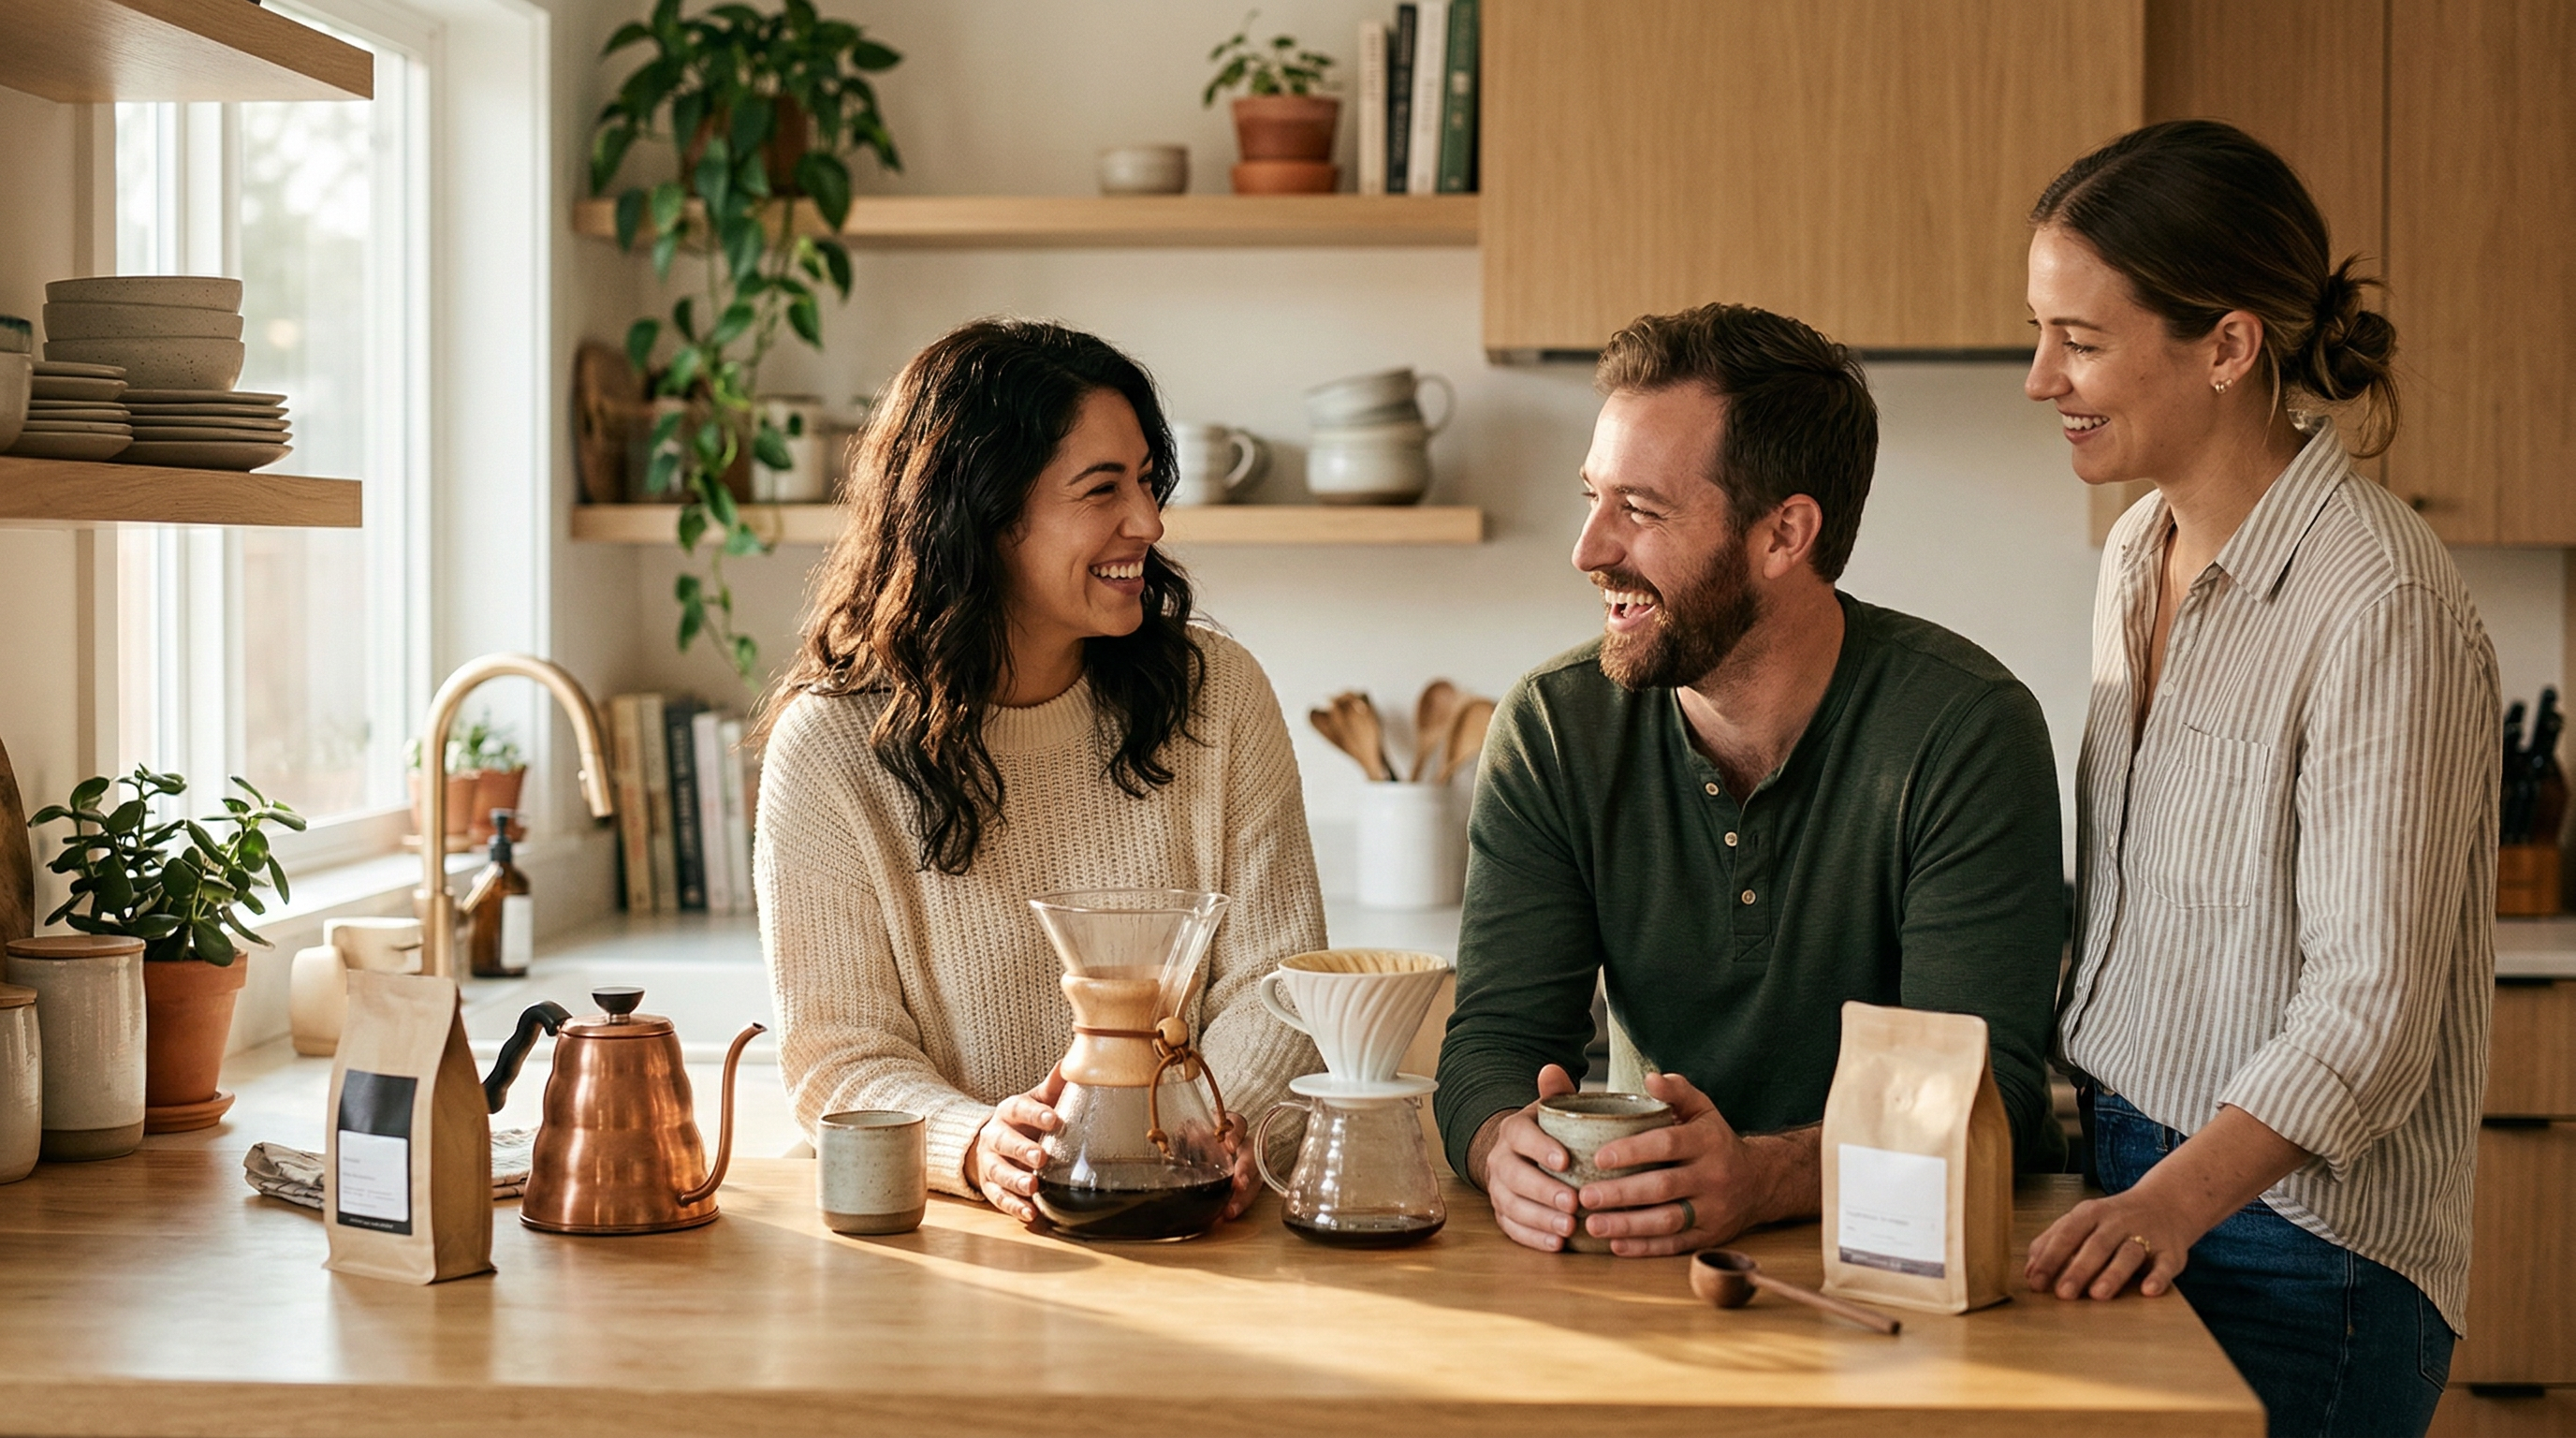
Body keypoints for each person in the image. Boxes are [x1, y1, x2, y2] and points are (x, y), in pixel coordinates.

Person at [2017, 121, 2496, 1438]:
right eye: (2040, 331)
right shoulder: (2131, 555)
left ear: (2227, 346)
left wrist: (2171, 1202)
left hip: (2301, 1245)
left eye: (2082, 339)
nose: (2039, 375)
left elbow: (2373, 1010)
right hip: (2129, 1175)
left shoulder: (2377, 599)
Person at [1436, 301, 2069, 1257]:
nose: (1589, 549)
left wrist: (1763, 1176)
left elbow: (1992, 1095)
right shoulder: (1553, 728)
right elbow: (1493, 1043)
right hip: (1652, 1256)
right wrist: (1500, 1146)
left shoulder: (1964, 730)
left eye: (1639, 511)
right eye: (1590, 498)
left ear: (1783, 536)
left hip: (1915, 1263)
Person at [753, 317, 1325, 1226]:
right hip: (949, 1236)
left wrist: (1218, 1127)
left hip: (1192, 1209)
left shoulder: (1220, 698)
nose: (1147, 521)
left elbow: (1279, 988)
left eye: (1145, 480)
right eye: (1102, 490)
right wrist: (978, 1144)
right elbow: (839, 1055)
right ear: (981, 515)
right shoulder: (828, 749)